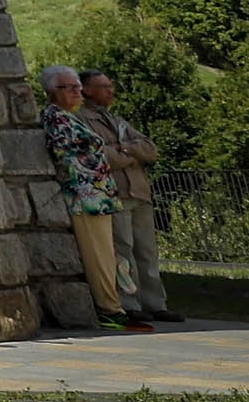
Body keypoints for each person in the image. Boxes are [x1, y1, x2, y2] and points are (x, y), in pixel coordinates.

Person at [39, 65, 141, 334]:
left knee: (107, 254)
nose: (77, 92)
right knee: (99, 256)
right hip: (86, 195)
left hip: (98, 194)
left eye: (77, 87)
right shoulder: (56, 118)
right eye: (69, 87)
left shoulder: (66, 117)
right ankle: (110, 310)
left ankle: (114, 304)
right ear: (52, 91)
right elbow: (65, 153)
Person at [78, 72, 177, 325]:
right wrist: (131, 153)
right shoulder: (82, 119)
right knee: (124, 251)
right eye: (103, 87)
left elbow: (151, 150)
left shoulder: (117, 120)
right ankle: (130, 303)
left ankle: (155, 303)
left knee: (147, 250)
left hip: (139, 191)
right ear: (87, 90)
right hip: (116, 193)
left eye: (111, 86)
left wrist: (126, 149)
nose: (110, 91)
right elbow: (102, 154)